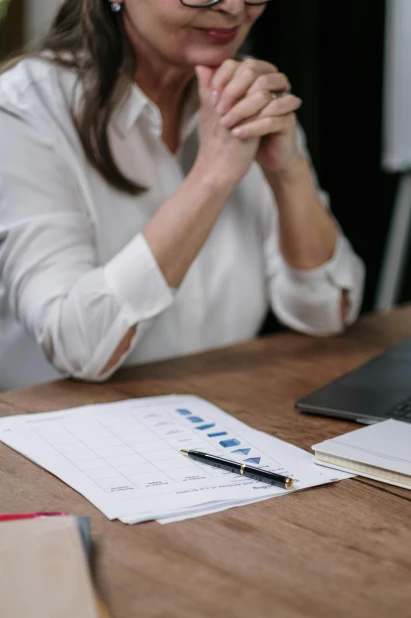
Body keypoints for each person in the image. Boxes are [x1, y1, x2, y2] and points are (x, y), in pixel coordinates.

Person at [0, 0, 365, 389]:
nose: (234, 7)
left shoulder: (245, 94)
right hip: (53, 432)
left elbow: (326, 312)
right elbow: (79, 348)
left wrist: (288, 173)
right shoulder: (23, 111)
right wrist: (212, 176)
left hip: (218, 415)